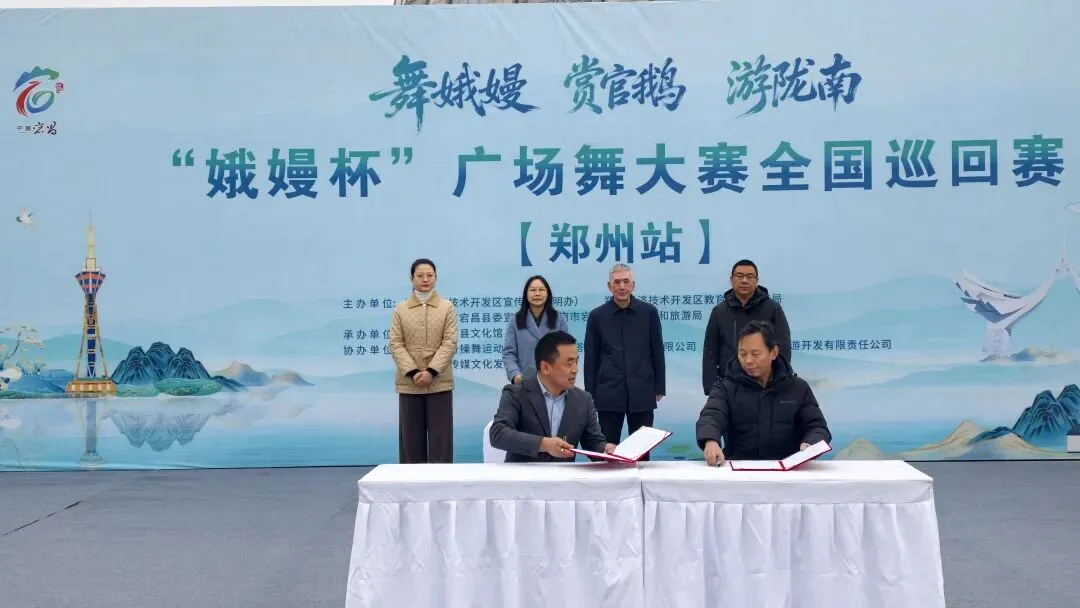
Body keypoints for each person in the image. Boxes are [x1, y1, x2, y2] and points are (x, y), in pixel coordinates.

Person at [696, 320, 831, 467]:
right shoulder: (725, 388)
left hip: (788, 470)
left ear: (773, 353)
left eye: (755, 354)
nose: (748, 361)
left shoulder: (798, 388)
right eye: (742, 354)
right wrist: (710, 440)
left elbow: (816, 426)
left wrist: (811, 443)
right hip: (738, 469)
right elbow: (711, 416)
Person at [489, 331, 616, 462]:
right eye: (569, 363)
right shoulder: (516, 393)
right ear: (545, 367)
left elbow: (593, 442)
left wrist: (605, 449)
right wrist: (543, 444)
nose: (575, 370)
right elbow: (498, 433)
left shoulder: (583, 400)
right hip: (523, 474)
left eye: (576, 362)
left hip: (564, 475)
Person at [584, 263, 665, 458]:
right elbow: (591, 357)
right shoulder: (597, 316)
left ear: (633, 285)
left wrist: (659, 386)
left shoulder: (648, 312)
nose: (622, 286)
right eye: (617, 282)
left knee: (641, 452)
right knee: (606, 449)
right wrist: (590, 393)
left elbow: (657, 350)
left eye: (626, 281)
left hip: (642, 390)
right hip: (608, 392)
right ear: (609, 286)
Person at [388, 258, 459, 464]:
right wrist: (412, 372)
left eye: (430, 275)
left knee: (441, 442)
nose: (425, 279)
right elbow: (395, 344)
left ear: (436, 278)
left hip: (440, 382)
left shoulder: (447, 307)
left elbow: (450, 342)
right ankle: (410, 482)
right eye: (420, 275)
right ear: (412, 279)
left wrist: (431, 371)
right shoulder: (400, 309)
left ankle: (442, 482)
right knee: (410, 443)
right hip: (409, 384)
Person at [701, 259, 792, 395]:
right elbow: (710, 351)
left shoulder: (772, 308)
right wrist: (712, 389)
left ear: (757, 280)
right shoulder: (719, 311)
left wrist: (779, 381)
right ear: (731, 280)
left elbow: (783, 347)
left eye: (749, 276)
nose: (744, 280)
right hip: (729, 385)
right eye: (739, 276)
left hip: (764, 385)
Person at [502, 275, 570, 384]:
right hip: (525, 381)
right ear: (526, 294)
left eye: (541, 290)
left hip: (553, 382)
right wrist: (515, 374)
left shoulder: (559, 319)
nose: (537, 294)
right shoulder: (515, 320)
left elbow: (566, 351)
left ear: (547, 293)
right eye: (533, 290)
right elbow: (508, 353)